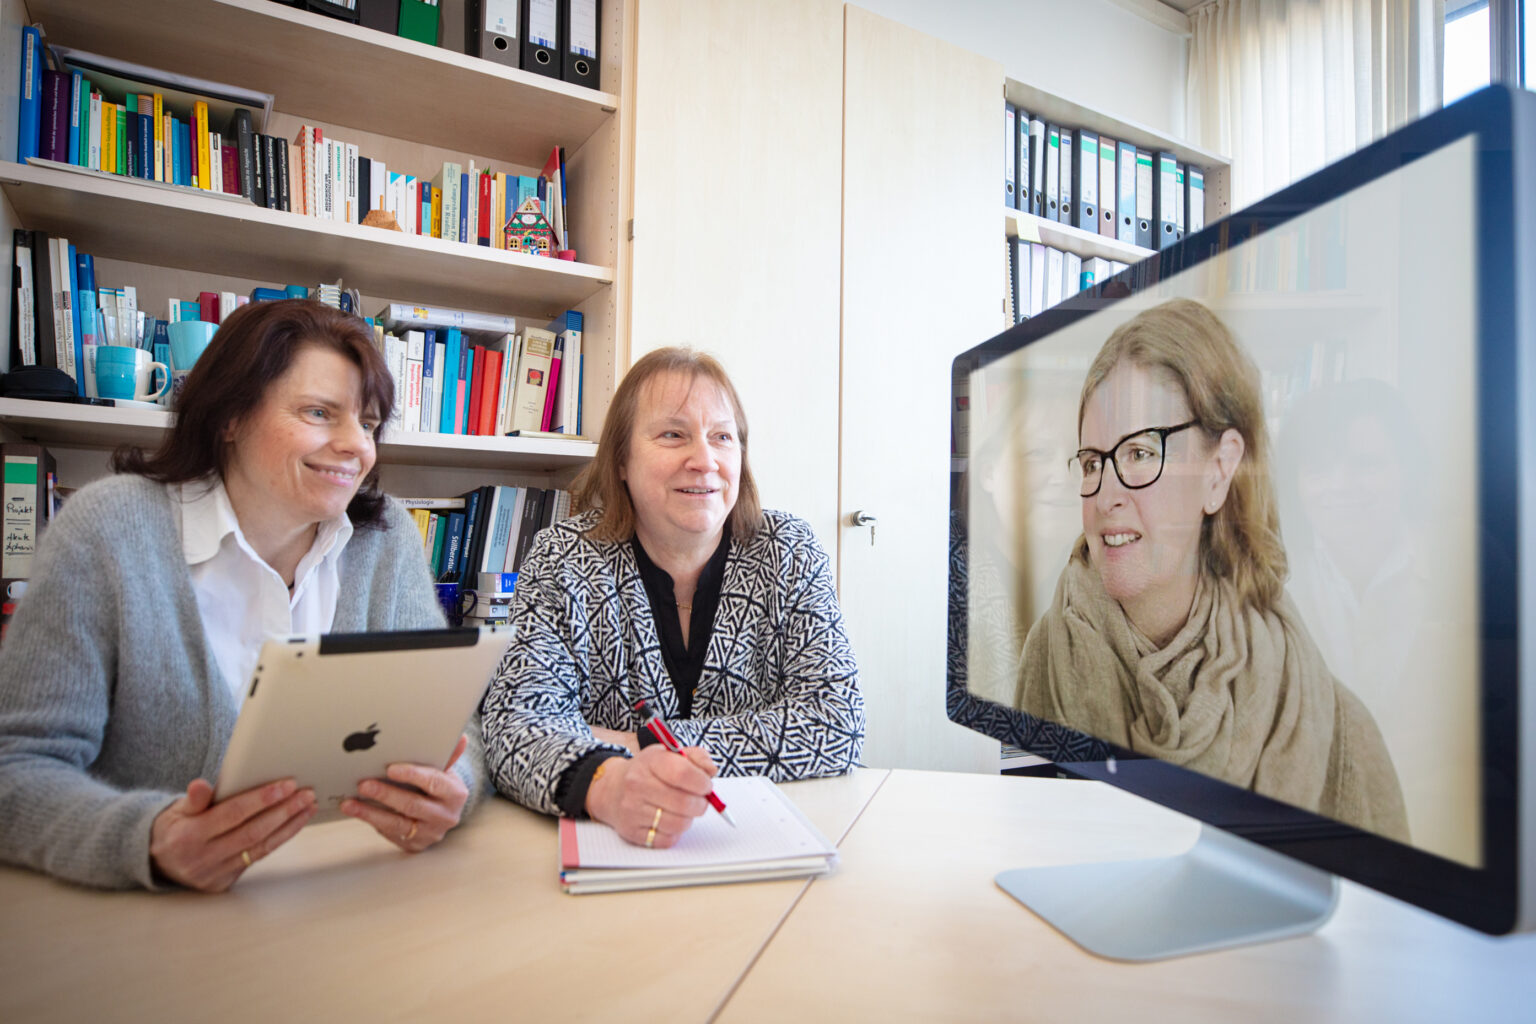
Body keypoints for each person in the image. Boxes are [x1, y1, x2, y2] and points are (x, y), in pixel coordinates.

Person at [0, 299, 484, 892]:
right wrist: (146, 839)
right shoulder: (108, 530)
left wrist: (445, 793)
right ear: (229, 416)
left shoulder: (385, 542)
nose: (356, 445)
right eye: (318, 412)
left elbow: (456, 734)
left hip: (345, 893)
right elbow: (15, 768)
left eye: (368, 423)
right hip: (144, 927)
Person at [1014, 298, 1408, 840]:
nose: (1106, 495)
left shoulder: (1333, 728)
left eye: (1140, 453)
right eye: (1091, 461)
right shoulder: (1047, 652)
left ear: (1219, 469)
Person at [482, 347, 864, 849]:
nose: (704, 460)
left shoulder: (788, 549)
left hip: (761, 846)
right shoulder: (563, 558)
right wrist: (608, 787)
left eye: (722, 437)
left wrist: (637, 745)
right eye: (673, 434)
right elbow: (515, 727)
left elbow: (837, 723)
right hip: (617, 850)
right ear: (621, 459)